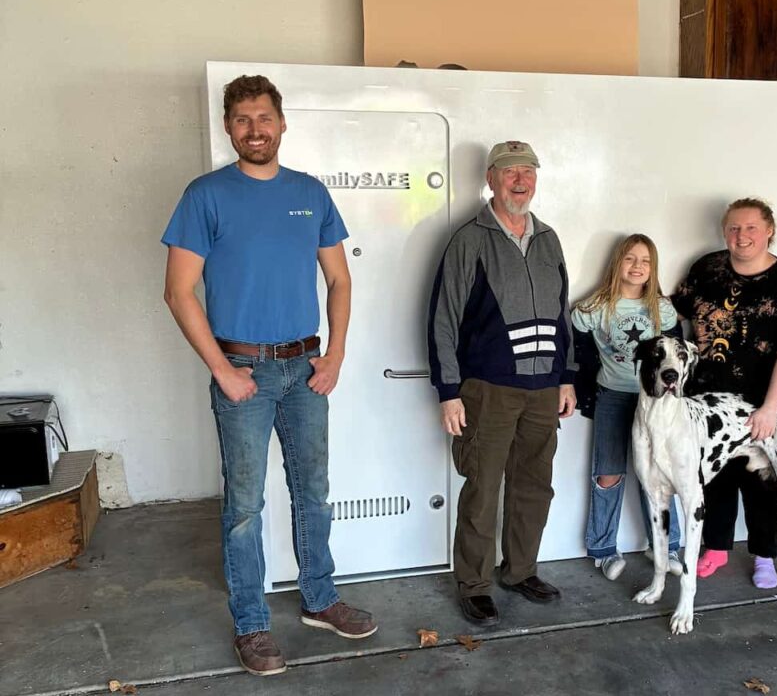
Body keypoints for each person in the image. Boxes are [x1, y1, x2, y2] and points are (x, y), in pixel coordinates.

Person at [162, 75, 377, 676]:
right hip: (241, 371)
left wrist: (334, 355)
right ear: (228, 128)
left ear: (283, 124)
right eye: (241, 119)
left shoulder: (310, 193)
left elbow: (339, 279)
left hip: (305, 368)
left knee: (314, 492)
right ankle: (252, 625)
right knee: (245, 506)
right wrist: (222, 371)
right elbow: (179, 293)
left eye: (264, 118)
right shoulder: (205, 195)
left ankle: (320, 599)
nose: (254, 129)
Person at [427, 140, 577, 626]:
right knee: (483, 488)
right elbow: (443, 319)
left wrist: (566, 378)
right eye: (509, 171)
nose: (520, 180)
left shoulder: (549, 238)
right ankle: (473, 584)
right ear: (490, 179)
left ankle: (520, 571)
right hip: (487, 388)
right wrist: (449, 391)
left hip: (542, 389)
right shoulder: (469, 238)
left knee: (534, 486)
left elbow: (562, 316)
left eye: (528, 171)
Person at [671, 197, 777, 589]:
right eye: (734, 228)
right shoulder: (707, 269)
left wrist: (771, 408)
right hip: (705, 401)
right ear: (724, 232)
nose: (742, 235)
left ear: (769, 231)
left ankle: (765, 556)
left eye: (751, 227)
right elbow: (673, 317)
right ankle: (716, 547)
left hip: (759, 402)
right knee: (712, 475)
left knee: (761, 481)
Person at [571, 234, 684, 581]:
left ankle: (667, 545)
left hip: (655, 402)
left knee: (659, 474)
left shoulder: (661, 310)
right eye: (630, 259)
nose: (638, 267)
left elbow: (676, 358)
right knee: (609, 473)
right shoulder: (593, 308)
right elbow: (577, 352)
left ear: (653, 268)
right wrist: (580, 391)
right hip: (613, 397)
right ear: (618, 262)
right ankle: (603, 548)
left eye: (646, 261)